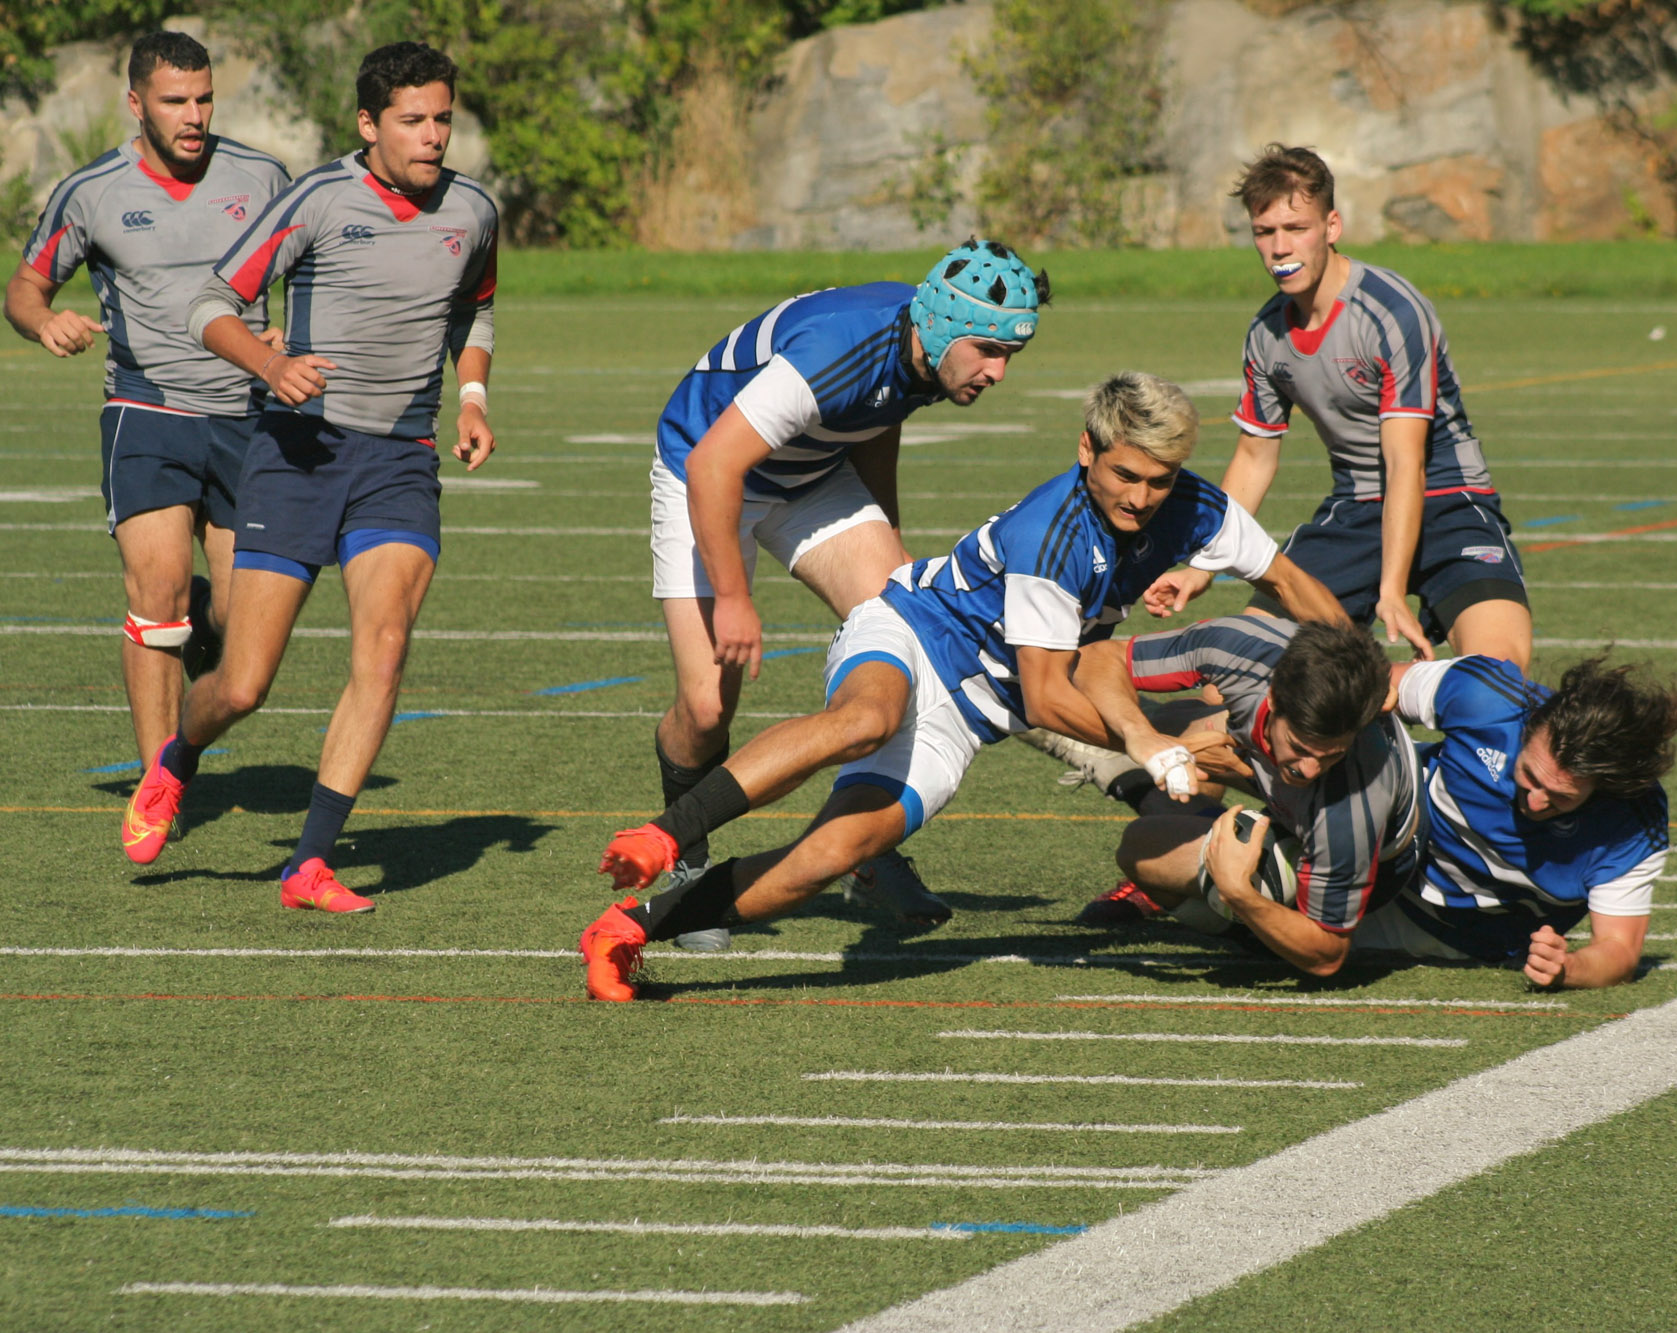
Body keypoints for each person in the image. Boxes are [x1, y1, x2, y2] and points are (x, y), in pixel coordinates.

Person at [577, 371, 1349, 1001]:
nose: (1141, 497)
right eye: (1125, 474)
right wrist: (1152, 746)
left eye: (1158, 479)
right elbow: (1047, 699)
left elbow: (1285, 579)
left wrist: (1361, 669)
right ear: (1087, 450)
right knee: (866, 720)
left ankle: (628, 928)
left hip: (972, 712)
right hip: (911, 633)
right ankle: (668, 832)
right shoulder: (1055, 535)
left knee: (831, 854)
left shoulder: (1199, 510)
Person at [119, 41, 499, 915]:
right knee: (245, 683)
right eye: (413, 120)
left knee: (386, 648)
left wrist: (472, 394)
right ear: (369, 125)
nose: (433, 135)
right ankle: (176, 759)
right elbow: (211, 302)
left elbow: (474, 306)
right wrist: (266, 363)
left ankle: (310, 864)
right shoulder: (320, 199)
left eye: (443, 118)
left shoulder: (473, 211)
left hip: (401, 458)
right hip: (298, 452)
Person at [644, 239, 1050, 938]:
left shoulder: (927, 347)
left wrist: (891, 549)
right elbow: (717, 462)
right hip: (706, 470)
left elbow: (877, 418)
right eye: (989, 349)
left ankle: (869, 851)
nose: (998, 372)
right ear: (948, 327)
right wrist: (737, 598)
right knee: (708, 707)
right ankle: (687, 859)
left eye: (1010, 354)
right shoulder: (841, 347)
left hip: (811, 473)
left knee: (911, 631)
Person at [5, 31, 289, 792]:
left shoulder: (263, 178)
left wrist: (297, 328)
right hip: (147, 410)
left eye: (203, 99)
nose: (194, 116)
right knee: (153, 596)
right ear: (137, 104)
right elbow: (25, 288)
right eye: (175, 102)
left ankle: (204, 613)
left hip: (248, 417)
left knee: (238, 626)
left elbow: (317, 266)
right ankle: (158, 785)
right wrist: (44, 322)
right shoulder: (92, 191)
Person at [1085, 643, 1677, 990]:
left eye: (1560, 800)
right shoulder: (1485, 695)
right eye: (1529, 777)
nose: (1532, 803)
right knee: (1231, 749)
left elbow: (1619, 950)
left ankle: (1146, 794)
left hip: (1427, 931)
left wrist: (1570, 967)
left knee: (1156, 859)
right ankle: (1111, 748)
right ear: (1531, 723)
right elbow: (1370, 696)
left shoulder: (1634, 821)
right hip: (1382, 830)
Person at [1149, 144, 1533, 668]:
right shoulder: (1267, 333)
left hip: (1448, 500)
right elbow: (1255, 458)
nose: (1280, 248)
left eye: (1296, 228)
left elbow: (1406, 464)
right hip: (1358, 511)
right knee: (1243, 671)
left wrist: (1390, 591)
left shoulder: (1391, 311)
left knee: (1497, 674)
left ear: (1332, 226)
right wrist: (1200, 566)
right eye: (1265, 233)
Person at [1077, 615, 1420, 978]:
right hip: (1293, 787)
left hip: (1375, 860)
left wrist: (1240, 892)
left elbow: (1327, 955)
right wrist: (1140, 735)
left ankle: (1246, 918)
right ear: (1272, 699)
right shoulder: (1241, 648)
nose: (1310, 769)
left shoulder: (1349, 813)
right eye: (1300, 747)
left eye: (1331, 754)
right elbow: (1098, 658)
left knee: (1142, 849)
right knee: (1175, 721)